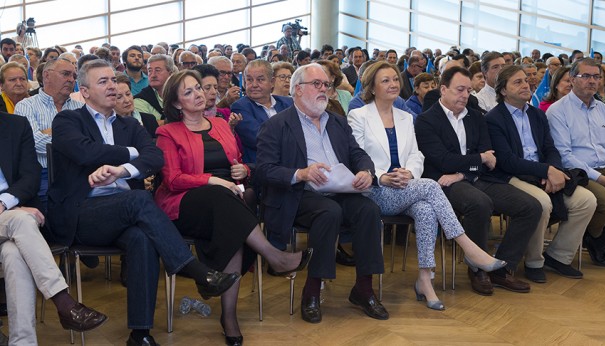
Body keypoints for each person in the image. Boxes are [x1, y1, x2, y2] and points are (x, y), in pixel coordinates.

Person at [47, 60, 240, 345]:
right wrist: (130, 153)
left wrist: (122, 170)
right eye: (103, 82)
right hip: (83, 214)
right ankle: (193, 269)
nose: (112, 86)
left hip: (127, 214)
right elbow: (86, 153)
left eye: (114, 80)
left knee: (142, 237)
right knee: (138, 199)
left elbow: (154, 158)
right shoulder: (67, 121)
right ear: (84, 92)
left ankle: (140, 334)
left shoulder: (130, 123)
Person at [155, 70, 311, 345]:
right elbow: (172, 179)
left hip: (228, 201)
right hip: (185, 203)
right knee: (223, 199)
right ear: (177, 103)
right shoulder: (167, 132)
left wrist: (242, 171)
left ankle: (229, 317)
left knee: (235, 221)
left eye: (198, 88)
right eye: (188, 92)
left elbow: (237, 163)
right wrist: (214, 180)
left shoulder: (221, 124)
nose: (198, 94)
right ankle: (273, 255)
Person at [348, 61, 506, 310]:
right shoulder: (359, 116)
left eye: (395, 79)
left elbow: (416, 155)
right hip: (375, 190)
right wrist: (381, 176)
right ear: (372, 87)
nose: (393, 84)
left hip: (406, 186)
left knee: (426, 210)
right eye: (385, 80)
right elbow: (355, 156)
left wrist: (409, 172)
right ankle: (469, 248)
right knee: (432, 187)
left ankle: (425, 279)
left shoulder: (405, 117)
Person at [256, 63, 389, 323]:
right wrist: (301, 173)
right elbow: (263, 171)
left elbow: (357, 154)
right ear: (297, 90)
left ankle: (364, 288)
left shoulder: (337, 122)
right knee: (329, 212)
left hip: (339, 189)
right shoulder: (277, 125)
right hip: (299, 194)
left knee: (369, 210)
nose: (323, 90)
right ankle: (312, 291)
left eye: (326, 85)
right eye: (316, 84)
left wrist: (366, 171)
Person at [415, 66, 541, 295]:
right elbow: (443, 161)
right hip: (444, 184)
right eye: (460, 89)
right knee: (479, 203)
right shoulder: (425, 121)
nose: (465, 95)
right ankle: (477, 268)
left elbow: (488, 156)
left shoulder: (475, 116)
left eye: (469, 90)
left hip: (473, 178)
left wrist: (465, 171)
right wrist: (478, 160)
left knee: (531, 206)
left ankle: (501, 268)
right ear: (443, 89)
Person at [0, 112, 107, 344]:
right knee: (22, 221)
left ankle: (23, 342)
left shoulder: (16, 125)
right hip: (15, 216)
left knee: (13, 252)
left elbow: (31, 176)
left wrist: (8, 203)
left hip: (10, 212)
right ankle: (64, 302)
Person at [485, 65, 597, 282]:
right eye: (517, 82)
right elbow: (507, 161)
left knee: (586, 200)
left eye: (526, 80)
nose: (526, 85)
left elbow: (550, 149)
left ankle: (558, 256)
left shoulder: (537, 114)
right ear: (503, 91)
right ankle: (533, 261)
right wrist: (545, 170)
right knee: (542, 203)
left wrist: (552, 170)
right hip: (513, 176)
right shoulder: (494, 119)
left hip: (543, 173)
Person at [547, 58, 605, 268]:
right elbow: (565, 156)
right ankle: (598, 238)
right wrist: (601, 179)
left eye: (596, 77)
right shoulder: (557, 111)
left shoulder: (602, 109)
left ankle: (598, 237)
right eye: (586, 76)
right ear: (572, 79)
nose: (592, 81)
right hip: (579, 173)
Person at [15, 57, 84, 207]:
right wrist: (76, 141)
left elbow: (91, 142)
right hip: (44, 173)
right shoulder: (26, 106)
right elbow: (34, 143)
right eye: (65, 74)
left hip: (79, 171)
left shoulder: (80, 108)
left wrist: (50, 132)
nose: (71, 80)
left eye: (74, 76)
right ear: (46, 75)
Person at [231, 60, 293, 164]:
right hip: (263, 167)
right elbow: (260, 139)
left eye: (260, 80)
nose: (254, 85)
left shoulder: (288, 103)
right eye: (249, 80)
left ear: (272, 82)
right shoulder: (240, 107)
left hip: (293, 163)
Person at [114, 74, 158, 138]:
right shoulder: (109, 127)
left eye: (128, 94)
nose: (127, 100)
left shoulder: (149, 120)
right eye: (119, 97)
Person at [134, 54, 176, 121]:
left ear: (170, 74)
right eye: (150, 70)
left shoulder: (179, 94)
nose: (153, 75)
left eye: (157, 70)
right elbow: (146, 127)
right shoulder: (140, 99)